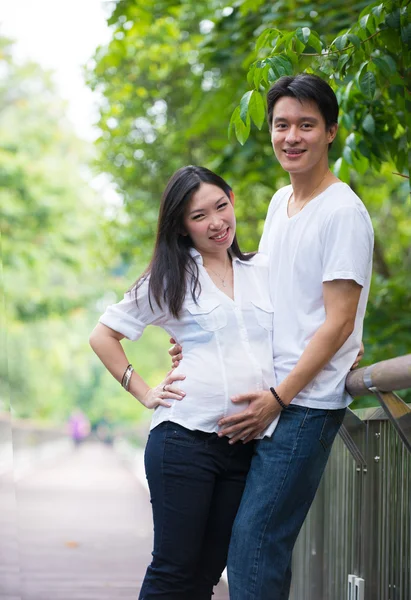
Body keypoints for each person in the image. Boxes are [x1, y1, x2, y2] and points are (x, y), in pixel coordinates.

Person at [170, 74, 374, 598]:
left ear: (330, 131)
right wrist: (199, 337)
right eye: (282, 125)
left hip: (301, 404)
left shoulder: (343, 212)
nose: (292, 137)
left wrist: (279, 399)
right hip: (268, 395)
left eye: (307, 125)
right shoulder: (282, 202)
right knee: (243, 543)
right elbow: (260, 289)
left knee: (256, 543)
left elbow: (339, 320)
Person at [89, 165, 280, 600]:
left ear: (232, 200)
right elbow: (103, 335)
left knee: (207, 574)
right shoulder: (171, 279)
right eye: (199, 216)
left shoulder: (264, 269)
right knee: (174, 571)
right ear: (181, 225)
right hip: (183, 440)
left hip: (244, 445)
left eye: (221, 206)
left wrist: (345, 351)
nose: (216, 223)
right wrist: (144, 391)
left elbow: (302, 327)